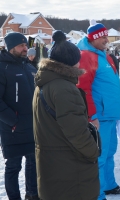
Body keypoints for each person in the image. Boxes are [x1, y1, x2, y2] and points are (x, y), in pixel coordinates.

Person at [32, 31, 99, 200]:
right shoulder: (64, 88)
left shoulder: (45, 83)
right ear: (73, 62)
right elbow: (77, 132)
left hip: (53, 162)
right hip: (69, 167)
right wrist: (93, 151)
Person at [77, 20, 120, 200]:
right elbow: (83, 89)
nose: (106, 39)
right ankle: (97, 194)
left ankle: (108, 185)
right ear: (93, 39)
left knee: (110, 152)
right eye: (102, 36)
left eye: (106, 35)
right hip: (100, 117)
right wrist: (92, 115)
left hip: (110, 115)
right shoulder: (87, 56)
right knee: (99, 157)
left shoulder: (104, 55)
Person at [0, 32, 38, 200]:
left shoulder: (29, 67)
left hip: (32, 125)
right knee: (13, 166)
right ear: (11, 48)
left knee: (33, 162)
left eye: (26, 45)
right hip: (12, 129)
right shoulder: (2, 67)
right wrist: (13, 121)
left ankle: (32, 194)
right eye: (21, 46)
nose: (25, 48)